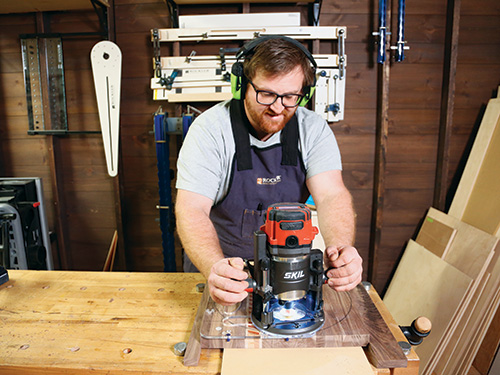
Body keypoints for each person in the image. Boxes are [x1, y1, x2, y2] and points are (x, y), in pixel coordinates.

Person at [175, 36, 362, 306]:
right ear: (241, 86)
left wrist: (341, 250)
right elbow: (191, 209)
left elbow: (332, 195)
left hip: (288, 272)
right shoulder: (209, 130)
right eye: (266, 94)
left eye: (290, 97)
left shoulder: (313, 129)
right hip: (224, 271)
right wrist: (215, 268)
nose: (277, 107)